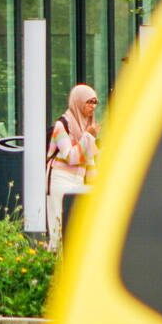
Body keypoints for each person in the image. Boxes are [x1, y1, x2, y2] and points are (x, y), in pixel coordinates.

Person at [46, 84, 99, 249]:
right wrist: (89, 136)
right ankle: (53, 267)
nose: (92, 106)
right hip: (60, 178)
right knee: (59, 227)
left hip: (78, 181)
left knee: (77, 228)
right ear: (78, 102)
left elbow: (88, 158)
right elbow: (70, 156)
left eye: (95, 102)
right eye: (88, 102)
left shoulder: (86, 124)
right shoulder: (61, 126)